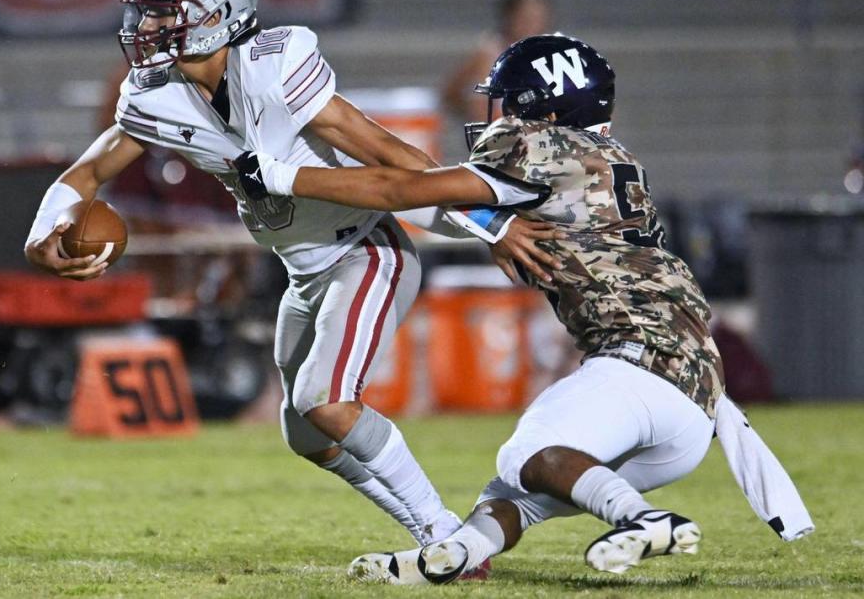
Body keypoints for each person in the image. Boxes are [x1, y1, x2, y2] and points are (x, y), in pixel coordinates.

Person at [23, 0, 562, 549]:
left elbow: (389, 155)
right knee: (305, 432)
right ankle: (431, 533)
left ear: (221, 13)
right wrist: (47, 231)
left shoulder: (276, 64)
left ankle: (449, 538)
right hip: (303, 270)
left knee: (326, 401)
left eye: (165, 11)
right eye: (146, 9)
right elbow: (88, 173)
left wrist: (484, 222)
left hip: (364, 250)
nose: (147, 25)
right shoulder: (156, 94)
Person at [235, 34, 814, 582]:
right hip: (692, 405)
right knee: (512, 496)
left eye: (511, 104)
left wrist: (285, 177)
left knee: (529, 454)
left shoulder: (541, 145)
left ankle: (645, 520)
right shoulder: (607, 157)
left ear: (549, 112)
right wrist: (494, 226)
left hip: (642, 365)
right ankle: (451, 557)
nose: (499, 117)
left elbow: (400, 191)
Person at [441, 0, 551, 125]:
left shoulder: (551, 53)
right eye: (525, 19)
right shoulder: (491, 52)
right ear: (509, 16)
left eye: (537, 19)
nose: (532, 26)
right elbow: (451, 93)